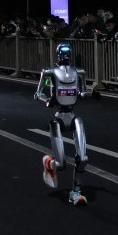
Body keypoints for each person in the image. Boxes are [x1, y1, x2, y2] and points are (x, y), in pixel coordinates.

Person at [34, 44, 97, 206]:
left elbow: (81, 92)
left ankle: (76, 192)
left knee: (83, 158)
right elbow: (39, 93)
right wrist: (48, 101)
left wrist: (91, 94)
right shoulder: (49, 72)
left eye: (67, 52)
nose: (65, 55)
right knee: (60, 164)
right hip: (59, 117)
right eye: (63, 53)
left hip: (73, 116)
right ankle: (49, 163)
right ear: (58, 54)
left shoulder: (78, 72)